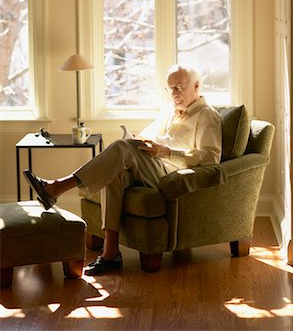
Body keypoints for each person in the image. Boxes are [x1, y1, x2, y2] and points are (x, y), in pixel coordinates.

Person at [23, 64, 222, 275]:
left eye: (179, 87)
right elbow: (147, 137)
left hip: (171, 175)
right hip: (151, 165)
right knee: (114, 171)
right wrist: (139, 141)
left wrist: (167, 151)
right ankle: (110, 253)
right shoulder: (169, 112)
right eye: (170, 88)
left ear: (197, 86)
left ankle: (57, 187)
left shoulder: (207, 116)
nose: (174, 93)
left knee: (120, 148)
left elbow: (211, 157)